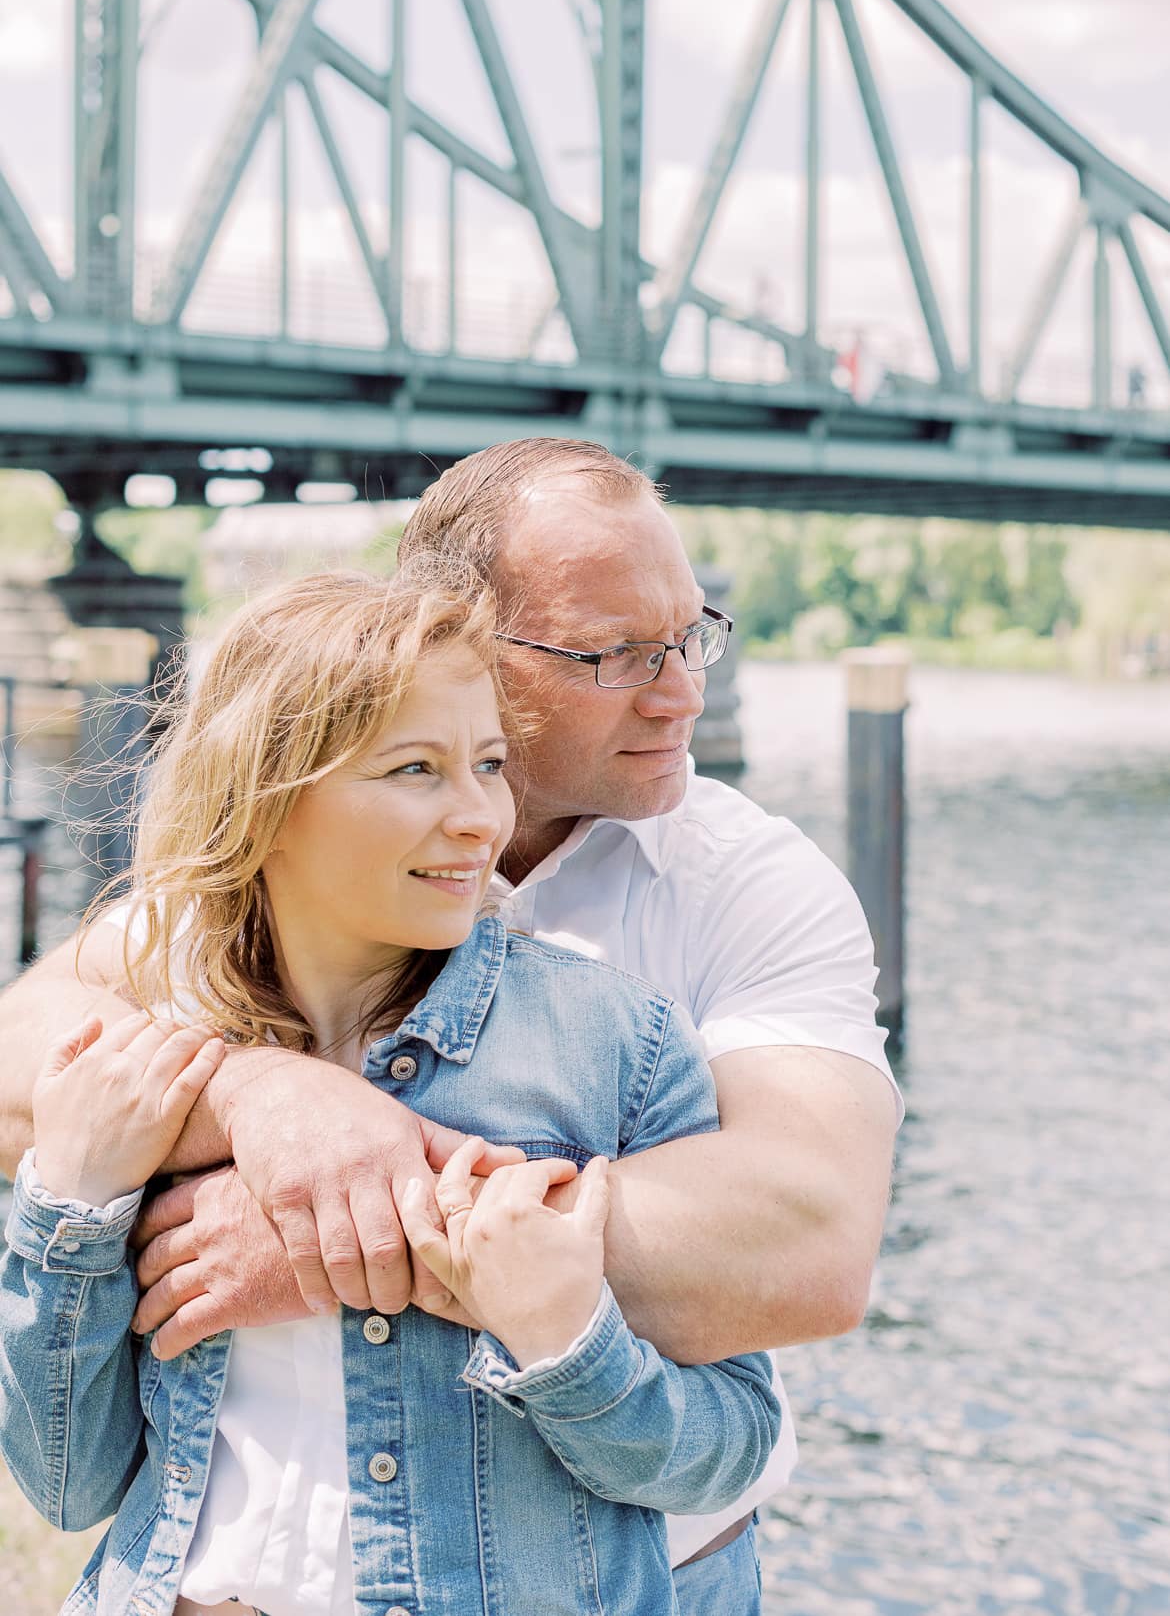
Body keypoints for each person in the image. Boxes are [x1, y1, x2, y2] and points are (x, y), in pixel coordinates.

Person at [0, 436, 900, 1608]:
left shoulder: (731, 899)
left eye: (689, 636)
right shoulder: (243, 919)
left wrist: (335, 1234)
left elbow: (810, 1245)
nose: (682, 689)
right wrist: (261, 1096)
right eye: (612, 653)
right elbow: (33, 1050)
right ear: (461, 634)